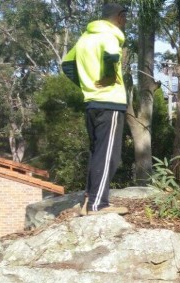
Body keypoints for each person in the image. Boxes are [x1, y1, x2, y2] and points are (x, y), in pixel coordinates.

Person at [62, 3, 129, 216]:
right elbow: (111, 56)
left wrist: (86, 84)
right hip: (110, 103)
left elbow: (67, 64)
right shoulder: (109, 35)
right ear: (119, 16)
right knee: (109, 155)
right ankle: (98, 205)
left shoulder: (84, 38)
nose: (125, 22)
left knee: (97, 153)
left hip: (91, 102)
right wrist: (109, 77)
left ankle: (88, 201)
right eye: (125, 18)